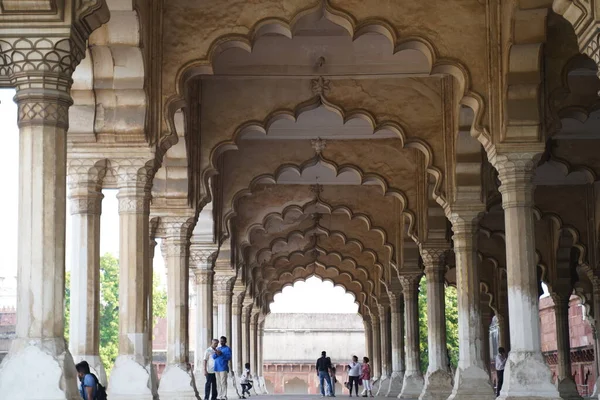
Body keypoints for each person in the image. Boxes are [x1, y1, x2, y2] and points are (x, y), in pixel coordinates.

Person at [213, 336, 232, 400]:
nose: (221, 342)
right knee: (218, 382)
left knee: (223, 382)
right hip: (216, 367)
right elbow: (213, 357)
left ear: (225, 341)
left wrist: (222, 354)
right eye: (221, 341)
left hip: (223, 367)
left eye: (223, 341)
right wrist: (216, 353)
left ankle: (224, 396)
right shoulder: (218, 348)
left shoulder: (227, 349)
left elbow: (229, 357)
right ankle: (219, 395)